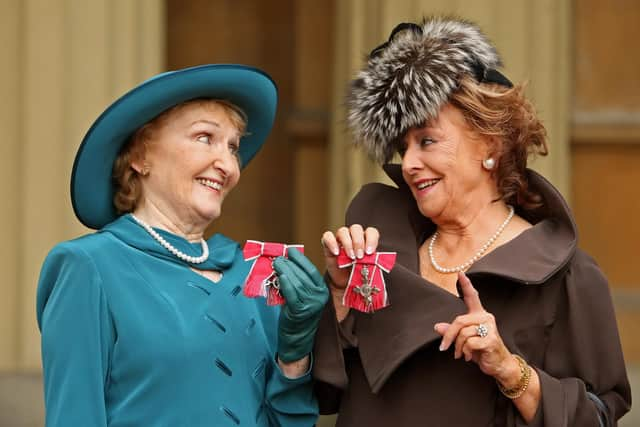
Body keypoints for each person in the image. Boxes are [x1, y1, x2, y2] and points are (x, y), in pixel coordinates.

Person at [312, 17, 631, 426]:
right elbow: (321, 393)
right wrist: (340, 293)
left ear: (490, 145)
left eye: (427, 140)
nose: (408, 163)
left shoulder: (567, 277)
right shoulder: (379, 254)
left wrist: (510, 370)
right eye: (403, 146)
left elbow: (599, 416)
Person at [36, 64, 327, 427]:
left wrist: (295, 357)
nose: (227, 165)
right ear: (140, 156)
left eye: (233, 147)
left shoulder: (256, 276)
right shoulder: (89, 268)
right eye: (205, 137)